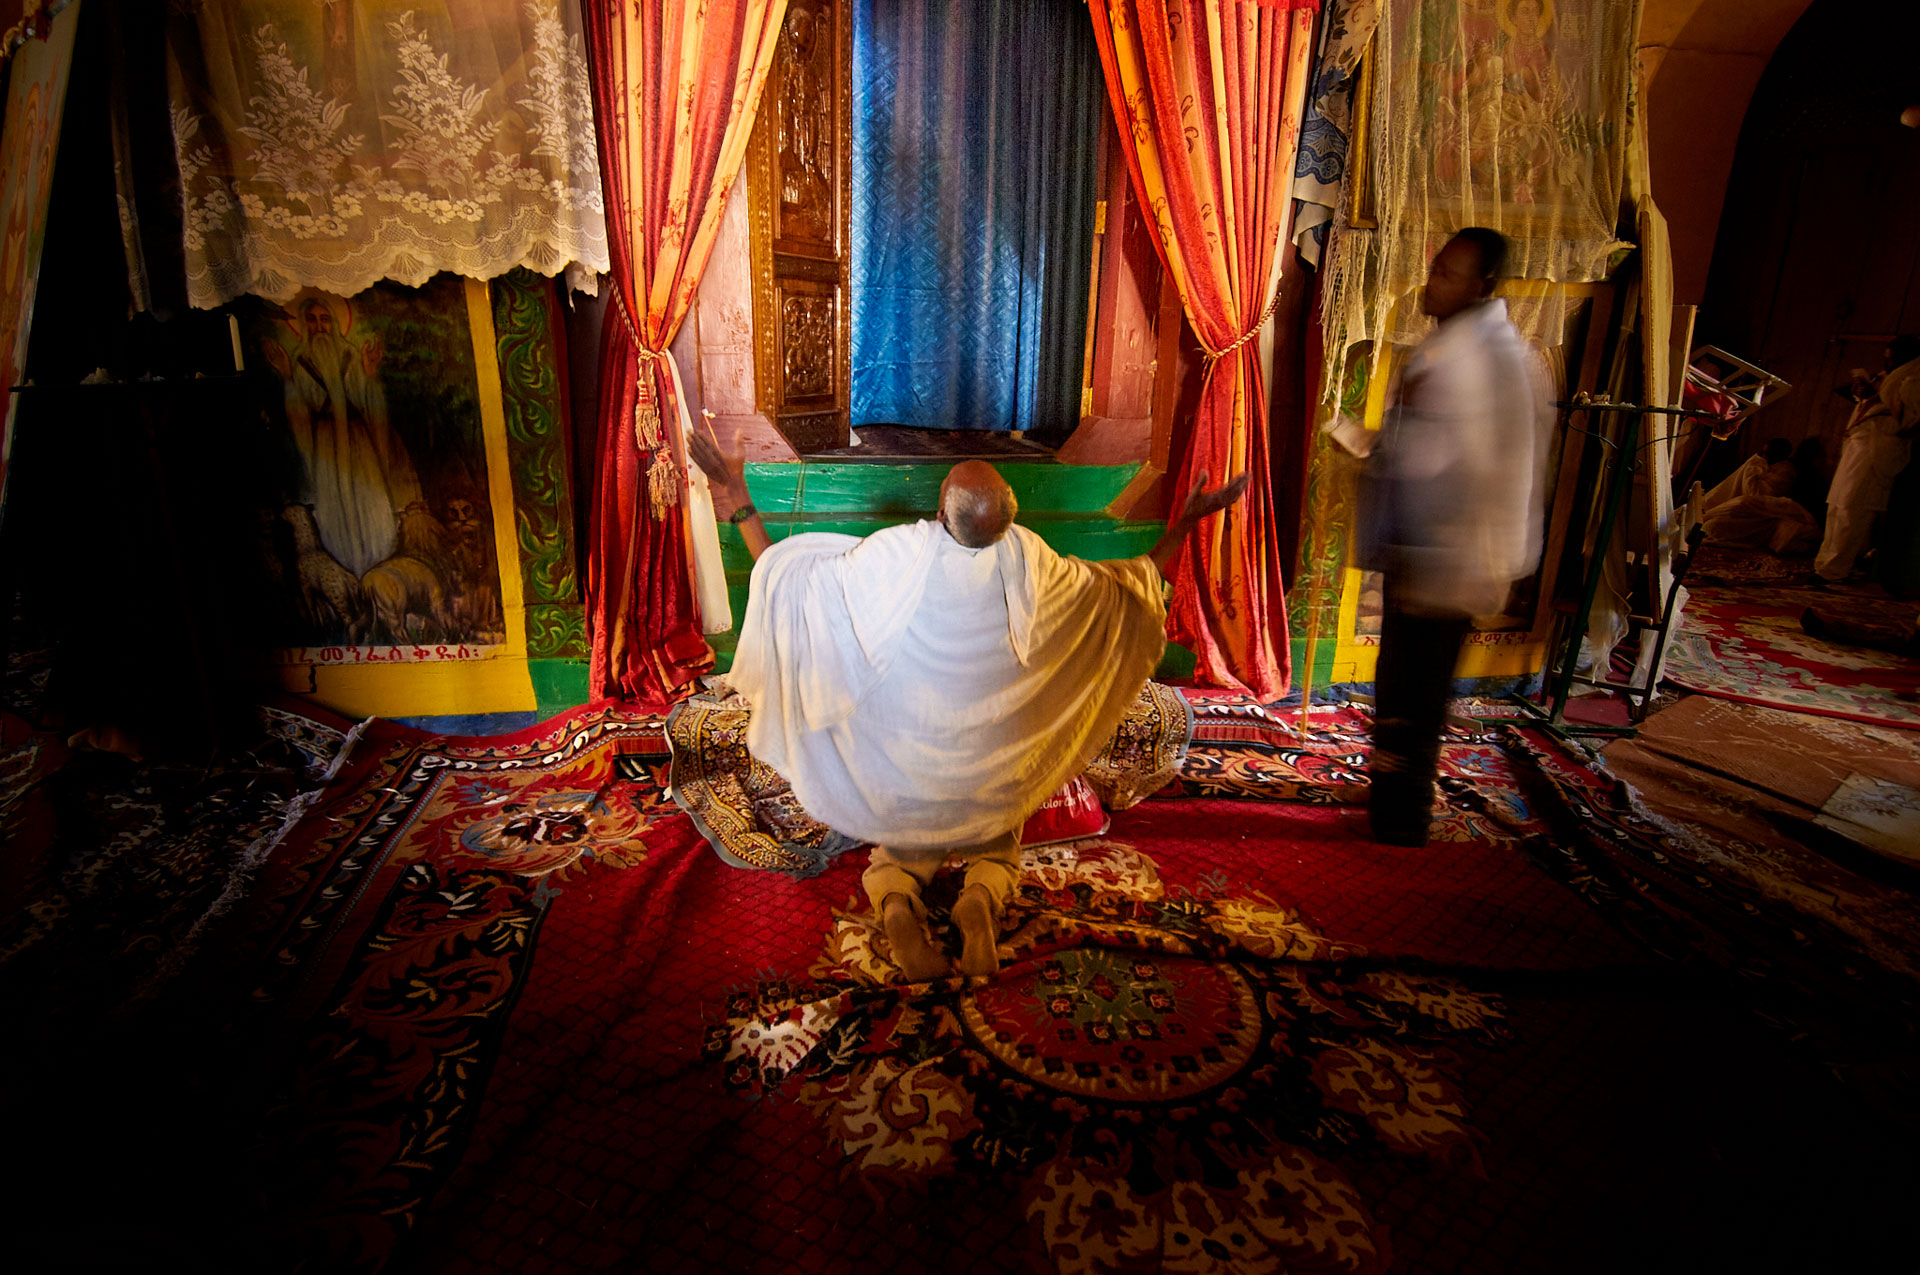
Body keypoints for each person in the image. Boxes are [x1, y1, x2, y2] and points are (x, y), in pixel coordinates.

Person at [689, 430, 1247, 981]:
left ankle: (898, 902)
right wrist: (1188, 523)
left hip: (909, 773)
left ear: (939, 512)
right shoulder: (1034, 561)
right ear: (1009, 520)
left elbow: (784, 582)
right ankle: (979, 899)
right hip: (991, 775)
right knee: (999, 838)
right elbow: (1132, 584)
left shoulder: (897, 553)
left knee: (899, 848)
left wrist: (735, 489)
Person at [1359, 227, 1552, 846]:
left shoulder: (1462, 363)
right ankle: (1399, 803)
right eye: (1435, 267)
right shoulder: (1502, 352)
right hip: (1455, 551)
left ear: (1482, 286)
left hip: (1435, 553)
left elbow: (1429, 464)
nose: (1432, 282)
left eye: (1449, 274)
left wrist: (1373, 446)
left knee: (1409, 688)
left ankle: (1400, 819)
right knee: (1420, 685)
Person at [1814, 335, 1920, 584]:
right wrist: (1863, 394)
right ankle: (1823, 565)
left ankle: (1835, 570)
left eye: (1894, 359)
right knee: (1837, 505)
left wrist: (1878, 396)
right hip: (1858, 445)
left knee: (1854, 509)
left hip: (1878, 448)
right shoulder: (1889, 377)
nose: (1889, 363)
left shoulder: (1913, 381)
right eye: (1887, 359)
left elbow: (1909, 420)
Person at [1699, 437, 1819, 555]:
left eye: (1769, 453)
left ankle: (1705, 520)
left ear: (1781, 454)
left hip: (1765, 511)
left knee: (1730, 512)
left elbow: (1754, 494)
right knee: (1712, 523)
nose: (1765, 457)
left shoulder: (1786, 471)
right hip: (1751, 511)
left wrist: (1754, 467)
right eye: (1764, 453)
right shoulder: (1766, 466)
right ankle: (1701, 519)